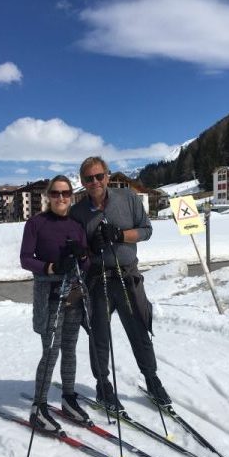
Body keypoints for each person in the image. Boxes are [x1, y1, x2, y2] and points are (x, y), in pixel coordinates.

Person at [70, 156, 172, 410]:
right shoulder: (78, 211)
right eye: (88, 178)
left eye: (99, 176)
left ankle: (152, 379)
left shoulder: (128, 198)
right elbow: (78, 251)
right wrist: (90, 247)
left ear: (107, 175)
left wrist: (120, 235)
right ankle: (103, 385)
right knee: (99, 335)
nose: (95, 182)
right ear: (82, 182)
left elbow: (146, 230)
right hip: (97, 279)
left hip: (127, 275)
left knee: (139, 329)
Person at [20, 175, 90, 432]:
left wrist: (81, 257)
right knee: (51, 350)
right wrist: (50, 267)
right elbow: (26, 259)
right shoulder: (36, 223)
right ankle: (38, 406)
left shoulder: (75, 224)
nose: (61, 198)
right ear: (48, 196)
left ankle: (68, 398)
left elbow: (86, 262)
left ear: (71, 196)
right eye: (56, 193)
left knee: (70, 347)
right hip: (49, 295)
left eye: (66, 193)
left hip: (73, 293)